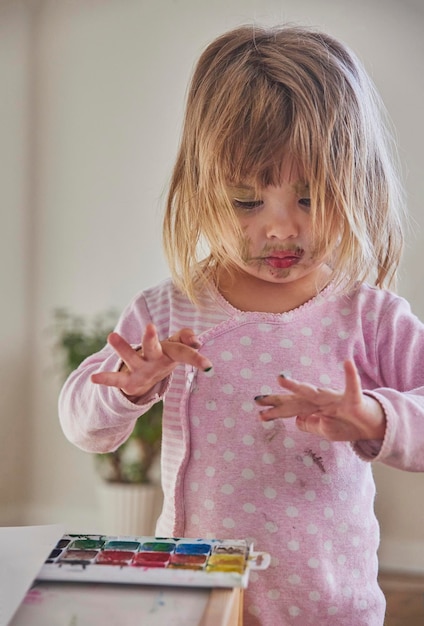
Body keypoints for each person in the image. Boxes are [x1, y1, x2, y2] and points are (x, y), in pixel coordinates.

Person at [58, 24, 424, 626]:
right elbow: (83, 426)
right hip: (196, 602)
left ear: (357, 185)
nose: (280, 228)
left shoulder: (370, 316)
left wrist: (377, 418)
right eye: (245, 201)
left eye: (310, 198)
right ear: (202, 191)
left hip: (329, 608)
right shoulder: (168, 311)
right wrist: (126, 386)